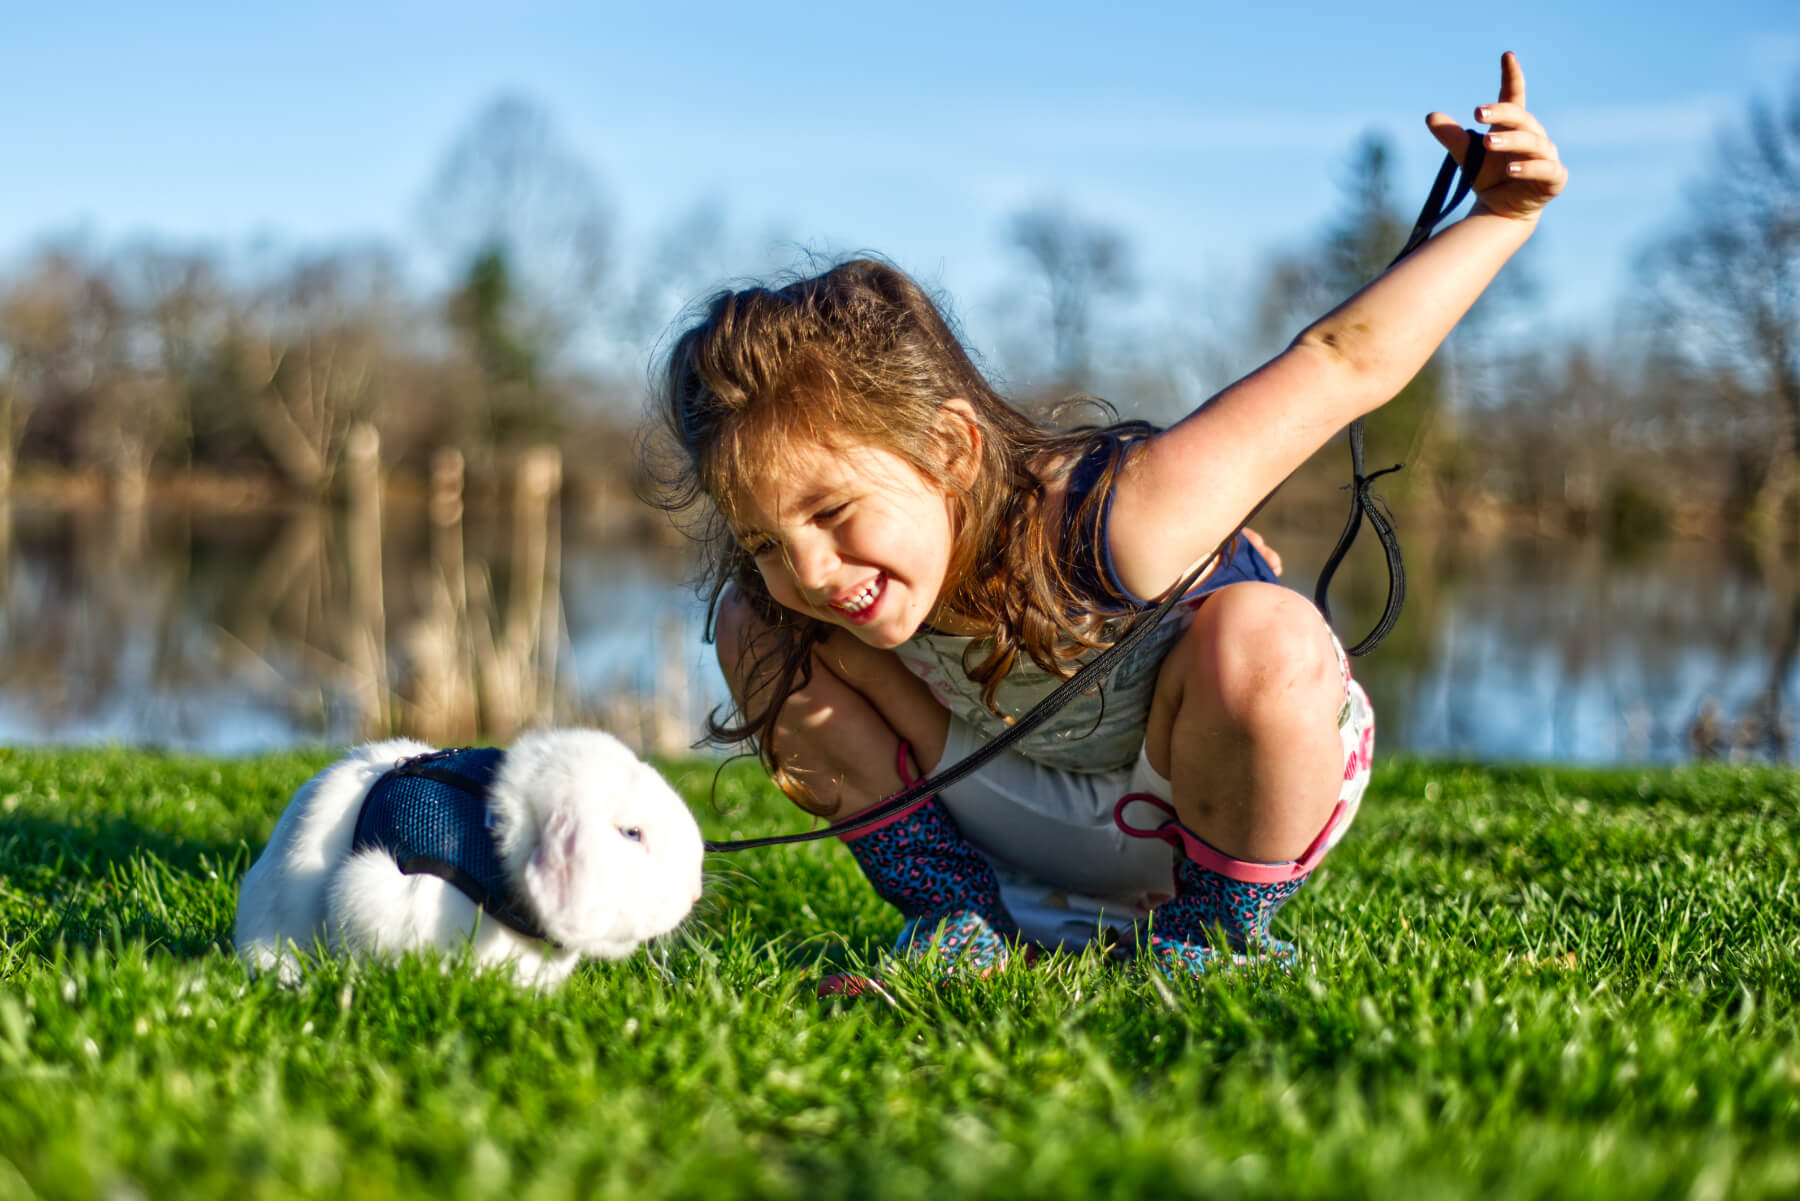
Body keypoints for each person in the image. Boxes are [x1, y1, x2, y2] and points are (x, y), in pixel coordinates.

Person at [645, 52, 1565, 981]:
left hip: (1200, 799)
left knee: (1268, 633)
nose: (808, 569)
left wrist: (1502, 216)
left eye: (833, 509)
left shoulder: (1119, 515)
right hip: (1009, 810)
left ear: (953, 451)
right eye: (766, 538)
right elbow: (781, 608)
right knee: (750, 621)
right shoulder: (808, 593)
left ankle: (1213, 936)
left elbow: (1337, 363)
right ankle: (959, 916)